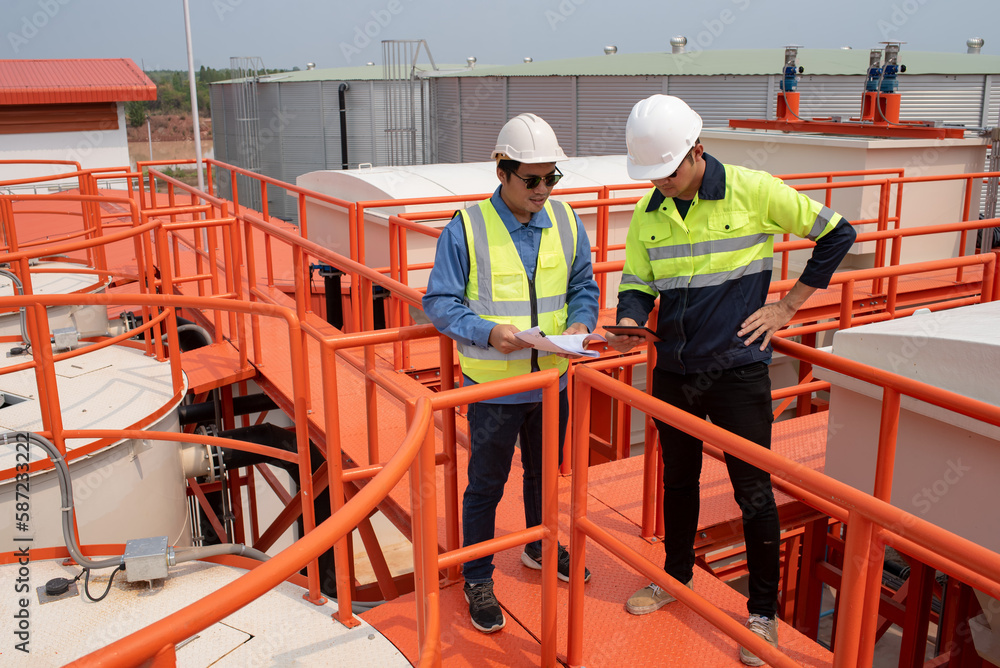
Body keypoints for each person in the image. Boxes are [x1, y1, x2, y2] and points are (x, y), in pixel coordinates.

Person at [606, 95, 856, 666]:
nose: (662, 185)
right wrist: (627, 321)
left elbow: (837, 234)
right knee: (678, 481)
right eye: (654, 177)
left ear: (696, 150)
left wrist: (788, 307)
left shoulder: (754, 189)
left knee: (753, 493)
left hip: (739, 369)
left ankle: (762, 613)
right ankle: (674, 577)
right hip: (673, 370)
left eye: (668, 172)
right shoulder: (650, 212)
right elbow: (637, 280)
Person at [422, 113, 600, 634]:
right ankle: (478, 575)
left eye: (552, 178)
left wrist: (584, 321)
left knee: (546, 477)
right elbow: (439, 302)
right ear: (502, 171)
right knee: (485, 486)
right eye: (533, 179)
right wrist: (487, 332)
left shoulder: (566, 222)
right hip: (496, 389)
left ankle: (539, 546)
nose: (544, 190)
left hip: (552, 382)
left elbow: (583, 284)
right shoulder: (467, 227)